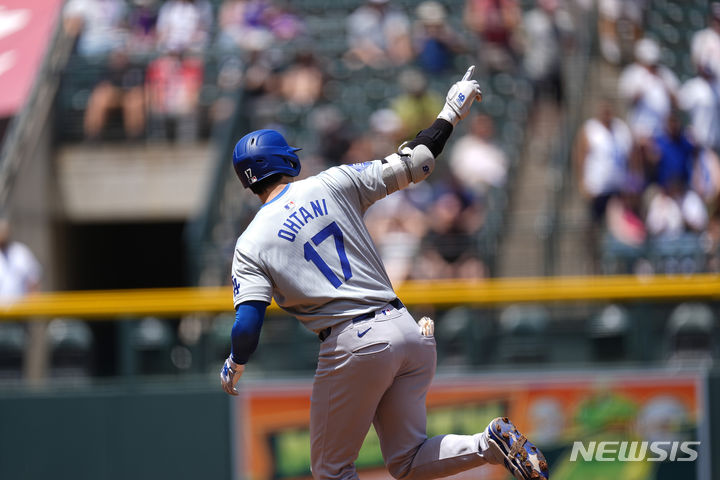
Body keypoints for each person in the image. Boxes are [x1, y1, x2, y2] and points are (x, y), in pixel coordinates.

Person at [220, 67, 549, 480]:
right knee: (407, 461)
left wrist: (235, 361)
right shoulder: (332, 182)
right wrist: (450, 112)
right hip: (406, 329)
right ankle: (490, 442)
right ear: (287, 159)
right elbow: (418, 161)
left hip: (352, 344)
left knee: (330, 471)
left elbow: (247, 325)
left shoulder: (250, 243)